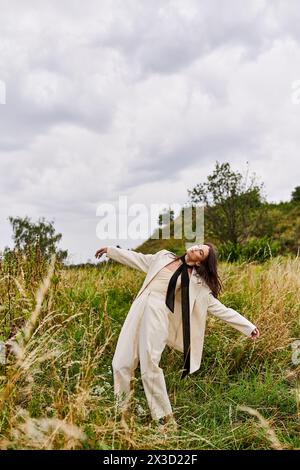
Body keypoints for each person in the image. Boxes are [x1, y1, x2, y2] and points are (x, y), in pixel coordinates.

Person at [95, 243, 260, 428]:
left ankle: (165, 420)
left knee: (150, 364)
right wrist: (111, 251)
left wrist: (248, 326)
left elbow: (219, 308)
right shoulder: (164, 256)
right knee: (120, 363)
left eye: (200, 252)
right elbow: (137, 258)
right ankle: (122, 412)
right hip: (138, 306)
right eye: (198, 246)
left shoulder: (196, 282)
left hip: (158, 314)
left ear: (199, 263)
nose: (195, 248)